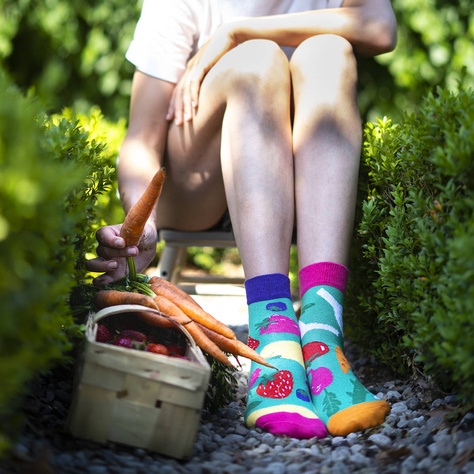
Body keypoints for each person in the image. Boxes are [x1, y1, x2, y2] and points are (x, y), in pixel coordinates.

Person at [86, 0, 397, 439]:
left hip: (295, 182)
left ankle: (324, 340)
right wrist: (143, 222)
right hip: (198, 184)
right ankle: (273, 342)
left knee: (329, 51)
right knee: (258, 59)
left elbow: (378, 27)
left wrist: (237, 31)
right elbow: (142, 137)